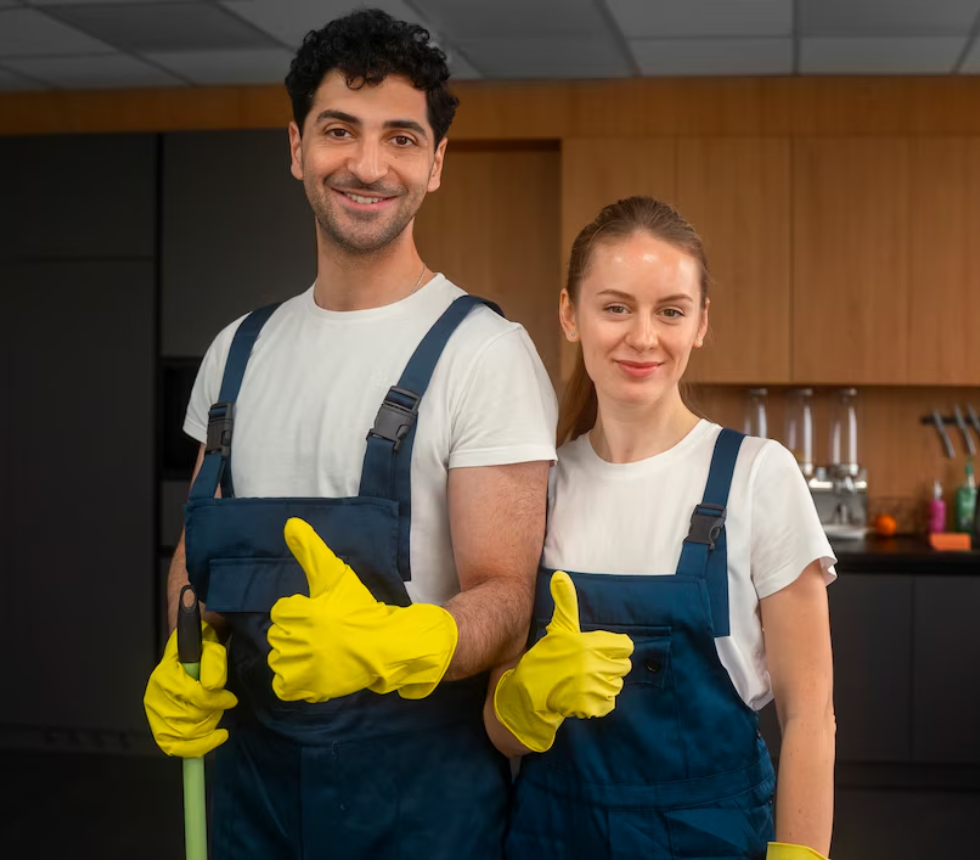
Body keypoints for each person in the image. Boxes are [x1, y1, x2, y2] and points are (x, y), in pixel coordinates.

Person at [143, 9, 557, 859]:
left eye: (401, 138)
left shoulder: (486, 354)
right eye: (340, 131)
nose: (368, 165)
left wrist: (405, 641)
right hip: (245, 790)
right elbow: (196, 555)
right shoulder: (237, 350)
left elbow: (508, 603)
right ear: (297, 147)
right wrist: (182, 655)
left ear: (435, 164)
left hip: (417, 806)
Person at [485, 196, 837, 860]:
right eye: (615, 307)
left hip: (710, 839)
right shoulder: (538, 487)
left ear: (701, 323)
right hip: (551, 836)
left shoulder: (756, 477)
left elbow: (810, 717)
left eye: (670, 310)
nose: (642, 337)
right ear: (569, 313)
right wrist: (524, 702)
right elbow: (498, 733)